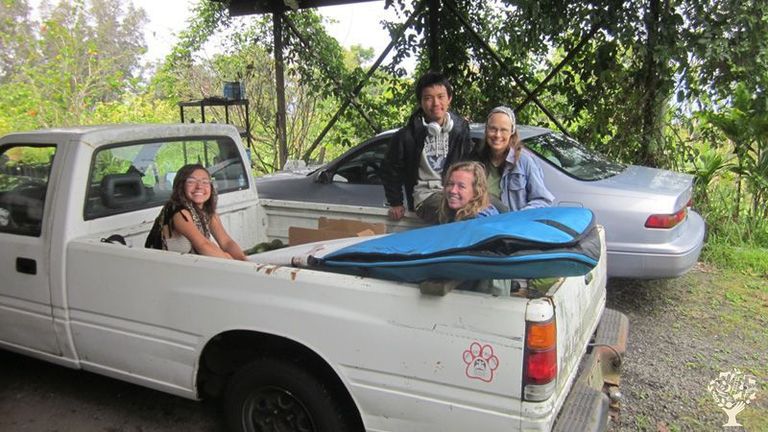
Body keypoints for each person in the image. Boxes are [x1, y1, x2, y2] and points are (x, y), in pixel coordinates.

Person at [380, 71, 474, 223]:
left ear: (449, 98)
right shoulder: (407, 136)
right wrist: (396, 202)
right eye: (428, 98)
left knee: (498, 208)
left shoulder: (460, 130)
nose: (436, 103)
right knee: (458, 215)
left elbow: (469, 164)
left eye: (441, 96)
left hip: (456, 192)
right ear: (420, 102)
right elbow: (390, 169)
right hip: (426, 196)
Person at [151, 164, 247, 260]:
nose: (199, 186)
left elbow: (226, 242)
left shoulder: (207, 212)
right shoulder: (179, 213)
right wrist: (232, 261)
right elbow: (203, 245)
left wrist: (245, 262)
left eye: (205, 182)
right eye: (191, 181)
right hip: (164, 267)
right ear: (180, 185)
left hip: (189, 266)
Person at [475, 106, 554, 212]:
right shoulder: (475, 159)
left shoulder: (525, 161)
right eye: (493, 129)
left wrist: (520, 216)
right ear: (486, 130)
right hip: (483, 221)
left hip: (514, 221)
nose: (497, 135)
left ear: (512, 131)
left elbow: (543, 200)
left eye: (503, 130)